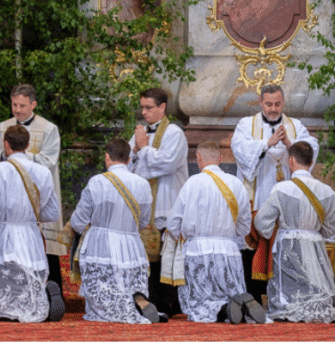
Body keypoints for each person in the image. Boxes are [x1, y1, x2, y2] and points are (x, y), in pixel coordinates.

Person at [231, 83, 320, 301]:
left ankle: (284, 296)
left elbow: (311, 148)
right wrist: (265, 144)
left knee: (284, 245)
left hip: (287, 199)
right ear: (260, 102)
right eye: (269, 104)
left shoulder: (296, 125)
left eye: (278, 104)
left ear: (283, 102)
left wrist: (291, 144)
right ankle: (253, 296)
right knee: (255, 241)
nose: (273, 109)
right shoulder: (246, 124)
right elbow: (239, 148)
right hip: (258, 193)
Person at [166, 141, 261, 323]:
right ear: (220, 159)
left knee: (200, 302)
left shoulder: (192, 183)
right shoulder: (236, 184)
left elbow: (173, 222)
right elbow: (244, 226)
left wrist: (182, 236)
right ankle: (237, 306)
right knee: (228, 292)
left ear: (198, 158)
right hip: (228, 250)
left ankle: (223, 310)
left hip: (198, 250)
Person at [0, 125, 63, 322]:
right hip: (30, 234)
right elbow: (52, 212)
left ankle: (7, 311)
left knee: (6, 278)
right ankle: (39, 306)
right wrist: (30, 217)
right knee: (28, 278)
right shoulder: (43, 172)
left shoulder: (0, 169)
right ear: (28, 145)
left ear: (5, 145)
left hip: (5, 233)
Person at [0, 84, 65, 289]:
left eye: (22, 105)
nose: (18, 110)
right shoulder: (3, 128)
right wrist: (4, 155)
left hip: (35, 198)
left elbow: (49, 161)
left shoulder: (48, 129)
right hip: (12, 199)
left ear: (33, 104)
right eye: (14, 105)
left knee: (47, 252)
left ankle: (51, 294)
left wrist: (17, 154)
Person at [71, 138, 158, 324]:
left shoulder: (97, 182)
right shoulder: (143, 184)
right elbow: (143, 221)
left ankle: (123, 310)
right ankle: (138, 304)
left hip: (101, 245)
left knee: (103, 293)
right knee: (129, 285)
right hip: (131, 245)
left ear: (107, 157)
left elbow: (78, 221)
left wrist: (86, 228)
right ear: (128, 160)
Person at [255, 141, 335, 323]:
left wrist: (270, 231)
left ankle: (289, 307)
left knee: (288, 296)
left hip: (288, 245)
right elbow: (328, 231)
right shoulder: (328, 192)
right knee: (316, 290)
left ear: (291, 161)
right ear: (311, 163)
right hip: (315, 246)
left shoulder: (282, 188)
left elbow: (262, 221)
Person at [128, 87, 188, 315]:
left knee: (168, 255)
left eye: (149, 107)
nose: (144, 112)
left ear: (162, 108)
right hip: (145, 204)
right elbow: (128, 167)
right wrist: (134, 152)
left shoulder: (174, 133)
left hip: (166, 202)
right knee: (148, 258)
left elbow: (166, 164)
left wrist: (143, 149)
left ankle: (170, 303)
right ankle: (150, 300)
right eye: (142, 107)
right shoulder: (139, 133)